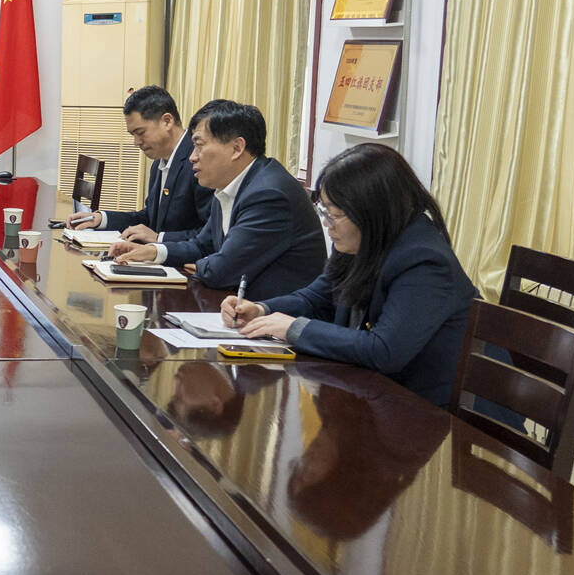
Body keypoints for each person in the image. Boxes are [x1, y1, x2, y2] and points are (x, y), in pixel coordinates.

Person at [223, 142, 477, 407]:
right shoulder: (362, 239)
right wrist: (262, 310)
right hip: (371, 394)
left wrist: (294, 328)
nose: (326, 224)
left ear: (371, 212)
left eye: (333, 214)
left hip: (426, 412)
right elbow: (316, 298)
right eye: (324, 211)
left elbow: (384, 350)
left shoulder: (424, 261)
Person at [107, 99, 326, 302]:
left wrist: (200, 264)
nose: (192, 157)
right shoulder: (229, 184)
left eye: (199, 145)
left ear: (237, 148)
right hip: (237, 307)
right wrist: (155, 252)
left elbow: (221, 271)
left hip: (275, 318)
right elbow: (202, 245)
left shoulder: (268, 194)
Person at [68, 86, 213, 238]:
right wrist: (101, 219)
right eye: (133, 135)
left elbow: (210, 236)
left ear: (167, 121)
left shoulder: (199, 162)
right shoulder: (158, 163)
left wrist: (159, 239)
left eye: (141, 133)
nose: (136, 142)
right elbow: (149, 218)